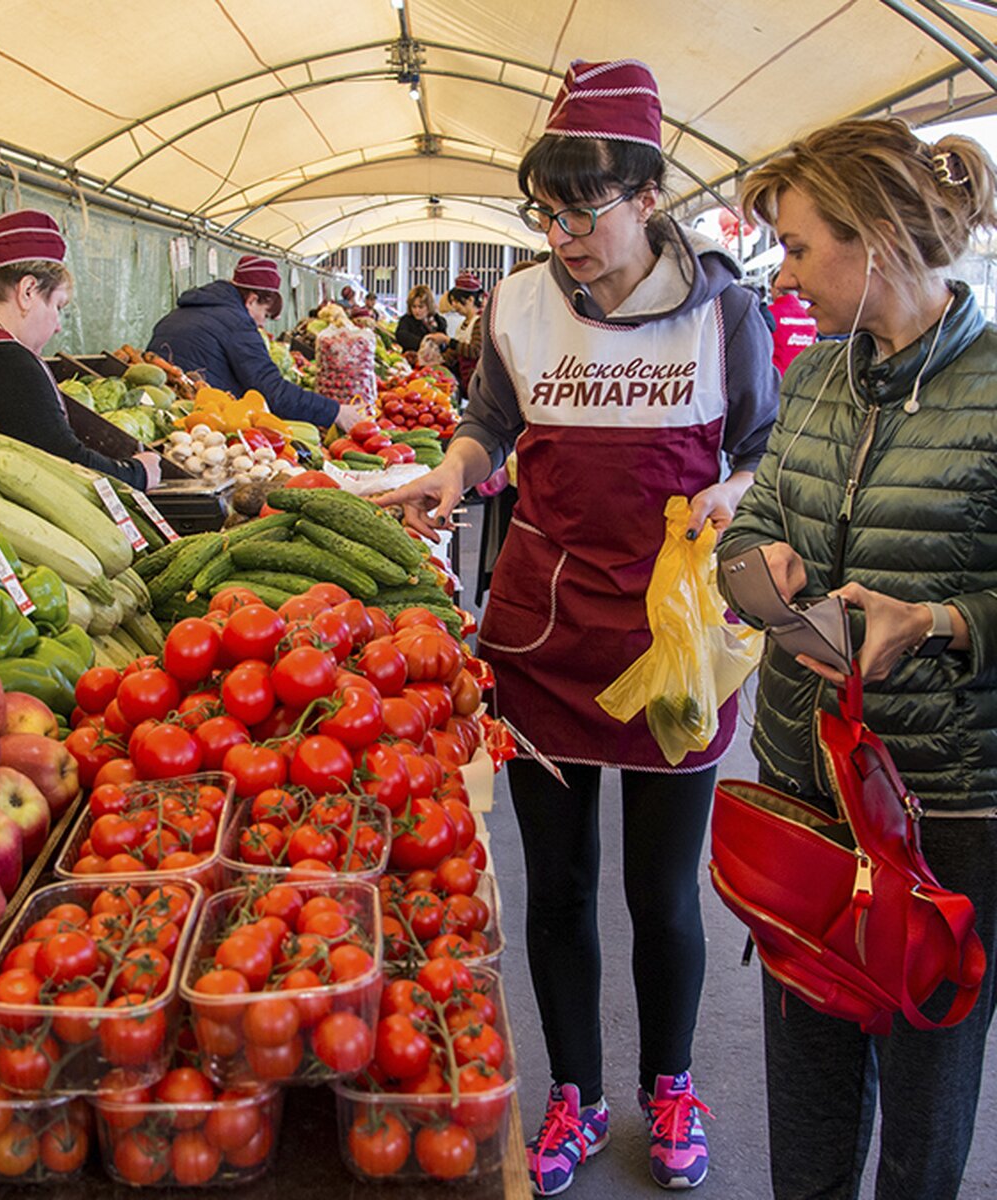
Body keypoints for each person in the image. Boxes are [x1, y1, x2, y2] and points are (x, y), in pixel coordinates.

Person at [376, 58, 777, 1195]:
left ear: (648, 195)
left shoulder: (729, 316)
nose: (561, 235)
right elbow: (487, 425)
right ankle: (576, 1096)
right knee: (553, 886)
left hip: (672, 648)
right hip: (540, 638)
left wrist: (734, 495)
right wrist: (453, 473)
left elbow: (760, 452)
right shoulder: (515, 305)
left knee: (660, 893)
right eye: (543, 211)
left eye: (583, 209)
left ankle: (672, 1084)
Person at [718, 117, 997, 1200]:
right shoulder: (817, 380)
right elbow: (744, 538)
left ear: (875, 238)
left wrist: (935, 622)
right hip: (807, 800)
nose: (783, 272)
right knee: (811, 1102)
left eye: (795, 246)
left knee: (926, 1117)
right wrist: (758, 569)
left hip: (941, 824)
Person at [0, 210, 160, 488]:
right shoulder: (8, 361)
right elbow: (63, 463)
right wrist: (137, 473)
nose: (58, 326)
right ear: (27, 291)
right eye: (57, 306)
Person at [146, 255, 361, 430]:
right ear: (251, 300)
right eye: (265, 314)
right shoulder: (237, 323)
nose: (261, 324)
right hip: (199, 425)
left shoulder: (180, 312)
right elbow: (273, 392)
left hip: (159, 417)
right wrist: (335, 411)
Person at [443, 270, 485, 396]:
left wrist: (448, 341)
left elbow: (476, 351)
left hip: (478, 382)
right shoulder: (463, 324)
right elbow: (455, 353)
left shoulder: (480, 321)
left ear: (471, 299)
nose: (454, 306)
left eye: (457, 301)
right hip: (467, 380)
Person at [766, 276, 818, 375]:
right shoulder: (810, 316)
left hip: (777, 378)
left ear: (777, 290)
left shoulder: (770, 313)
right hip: (803, 378)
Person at [394, 284, 450, 354]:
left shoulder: (439, 322)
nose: (417, 311)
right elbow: (402, 336)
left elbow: (444, 345)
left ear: (429, 306)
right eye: (414, 307)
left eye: (421, 307)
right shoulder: (406, 321)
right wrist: (424, 343)